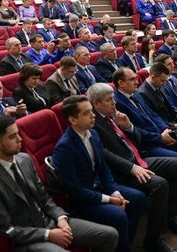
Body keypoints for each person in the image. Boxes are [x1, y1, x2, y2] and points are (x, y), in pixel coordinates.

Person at [0, 115, 119, 251]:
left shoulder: (24, 159)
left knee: (110, 235)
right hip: (30, 239)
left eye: (18, 133)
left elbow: (44, 197)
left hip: (51, 222)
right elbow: (7, 230)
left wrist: (60, 217)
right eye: (12, 136)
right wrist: (47, 234)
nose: (20, 139)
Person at [87, 83, 177, 248]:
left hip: (137, 158)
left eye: (113, 98)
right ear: (96, 103)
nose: (114, 102)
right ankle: (153, 240)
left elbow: (136, 140)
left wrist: (128, 126)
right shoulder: (92, 121)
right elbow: (103, 153)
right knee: (160, 184)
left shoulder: (112, 115)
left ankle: (170, 216)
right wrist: (131, 168)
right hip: (122, 170)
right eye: (109, 100)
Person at [53, 95, 147, 252]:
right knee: (118, 215)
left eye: (92, 111)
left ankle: (124, 244)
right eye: (87, 113)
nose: (93, 115)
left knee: (138, 198)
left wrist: (115, 192)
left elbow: (103, 168)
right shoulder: (65, 148)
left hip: (100, 187)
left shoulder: (93, 134)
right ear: (73, 120)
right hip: (84, 199)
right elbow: (75, 190)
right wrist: (110, 199)